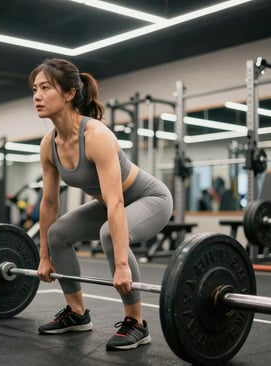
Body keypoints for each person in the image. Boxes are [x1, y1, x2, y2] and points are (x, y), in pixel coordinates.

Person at [29, 58, 173, 351]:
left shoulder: (96, 136)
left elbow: (117, 201)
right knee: (58, 233)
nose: (37, 96)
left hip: (150, 199)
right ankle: (77, 313)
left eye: (46, 88)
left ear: (69, 94)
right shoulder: (48, 144)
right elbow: (48, 204)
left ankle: (136, 323)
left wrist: (122, 266)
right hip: (111, 203)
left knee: (110, 233)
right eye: (34, 89)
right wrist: (44, 256)